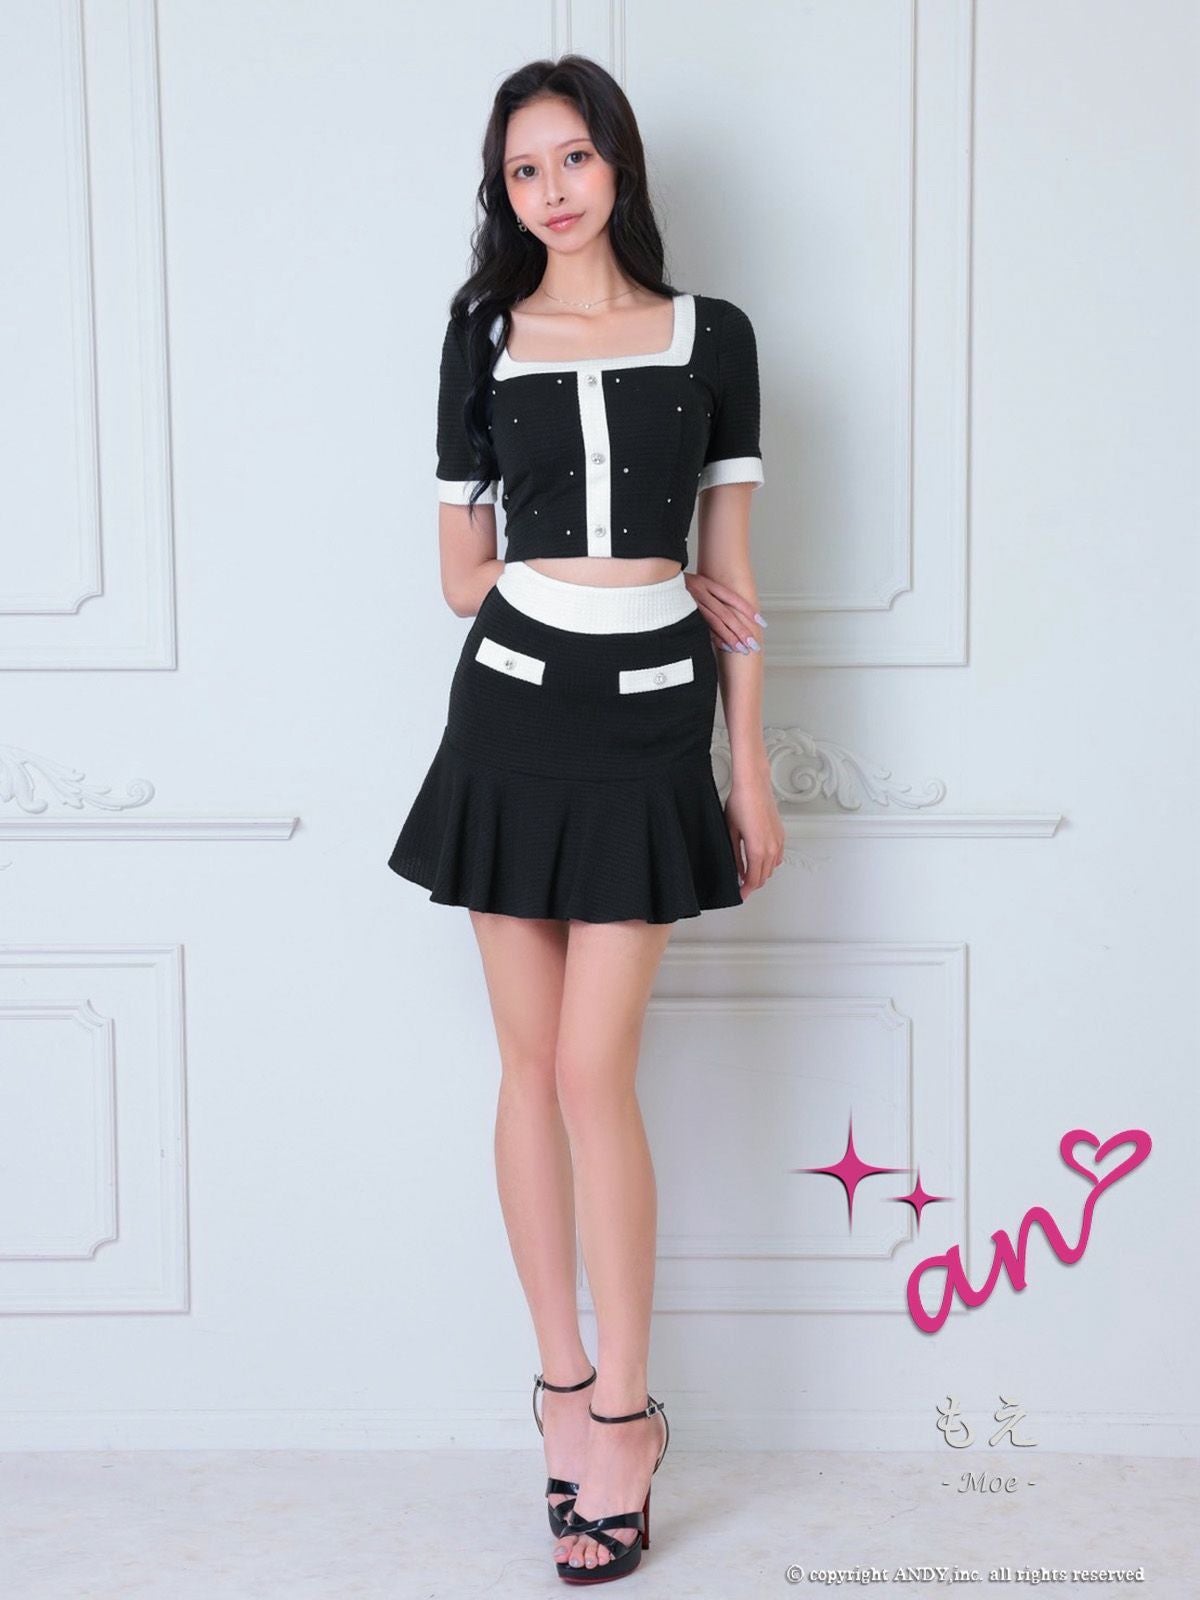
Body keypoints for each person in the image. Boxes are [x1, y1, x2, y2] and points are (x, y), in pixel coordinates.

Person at [386, 53, 785, 1583]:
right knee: (530, 1066)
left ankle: (628, 1410)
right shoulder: (481, 334)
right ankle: (564, 1390)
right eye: (523, 170)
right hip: (510, 710)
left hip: (651, 725)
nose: (550, 189)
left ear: (618, 162)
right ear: (504, 192)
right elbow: (458, 576)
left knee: (590, 1070)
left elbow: (732, 582)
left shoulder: (714, 335)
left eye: (572, 157)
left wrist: (749, 769)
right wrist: (569, 596)